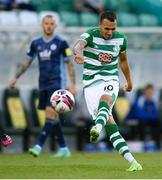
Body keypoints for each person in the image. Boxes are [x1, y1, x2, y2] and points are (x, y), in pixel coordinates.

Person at [73, 10, 142, 171]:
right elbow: (78, 45)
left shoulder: (121, 39)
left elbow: (123, 62)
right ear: (100, 25)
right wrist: (78, 54)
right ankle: (133, 162)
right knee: (109, 122)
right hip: (90, 84)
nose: (110, 32)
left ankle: (97, 127)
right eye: (107, 29)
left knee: (106, 99)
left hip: (110, 78)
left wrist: (130, 82)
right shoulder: (90, 35)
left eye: (113, 28)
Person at [9, 15, 76, 157]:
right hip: (43, 83)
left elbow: (69, 63)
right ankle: (64, 148)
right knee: (51, 116)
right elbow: (27, 62)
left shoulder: (61, 43)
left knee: (51, 113)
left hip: (57, 83)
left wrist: (72, 85)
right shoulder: (36, 43)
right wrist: (15, 77)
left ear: (55, 25)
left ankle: (38, 146)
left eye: (51, 24)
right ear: (42, 25)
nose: (49, 26)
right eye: (46, 23)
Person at [127, 84, 161, 150]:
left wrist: (150, 117)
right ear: (145, 92)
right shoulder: (140, 100)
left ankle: (157, 144)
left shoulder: (153, 101)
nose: (150, 94)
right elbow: (139, 114)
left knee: (158, 123)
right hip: (137, 119)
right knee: (142, 122)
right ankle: (142, 144)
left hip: (149, 120)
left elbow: (156, 115)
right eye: (148, 92)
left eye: (151, 93)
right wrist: (150, 116)